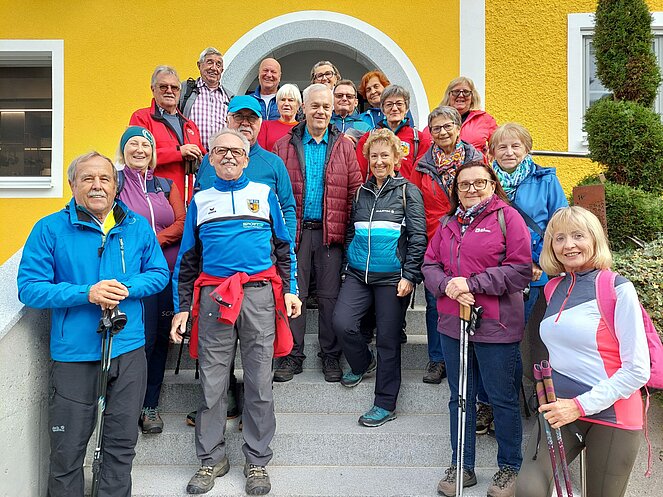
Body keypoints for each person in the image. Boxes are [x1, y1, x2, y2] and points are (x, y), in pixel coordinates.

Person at [17, 151, 169, 497]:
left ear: (116, 186)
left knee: (121, 445)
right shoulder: (49, 229)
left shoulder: (136, 226)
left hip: (128, 349)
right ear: (72, 185)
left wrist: (126, 287)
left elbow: (159, 273)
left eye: (105, 179)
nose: (97, 185)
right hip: (75, 353)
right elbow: (29, 288)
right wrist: (87, 293)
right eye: (87, 178)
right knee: (67, 450)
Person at [171, 129, 301, 495]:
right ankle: (210, 459)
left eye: (236, 151)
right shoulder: (200, 200)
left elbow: (284, 247)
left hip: (259, 295)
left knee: (259, 382)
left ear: (246, 158)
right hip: (214, 297)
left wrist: (291, 290)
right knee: (212, 383)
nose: (228, 156)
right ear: (210, 159)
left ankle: (257, 461)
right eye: (220, 151)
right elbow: (187, 260)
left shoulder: (264, 194)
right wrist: (182, 308)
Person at [516, 206, 650, 497]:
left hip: (612, 415)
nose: (569, 245)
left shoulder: (618, 288)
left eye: (578, 236)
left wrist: (578, 406)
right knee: (528, 490)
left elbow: (638, 370)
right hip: (558, 409)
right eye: (560, 238)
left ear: (594, 239)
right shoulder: (553, 288)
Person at [422, 161, 531, 497]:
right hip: (453, 324)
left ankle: (510, 468)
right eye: (464, 184)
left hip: (496, 324)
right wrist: (448, 286)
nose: (471, 189)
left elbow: (520, 269)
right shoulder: (448, 223)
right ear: (456, 190)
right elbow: (429, 264)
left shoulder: (508, 218)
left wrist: (472, 283)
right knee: (460, 397)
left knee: (501, 398)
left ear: (492, 185)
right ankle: (462, 466)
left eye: (479, 182)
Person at [471, 123, 569, 435]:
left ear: (527, 149)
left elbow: (559, 224)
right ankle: (492, 403)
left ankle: (508, 405)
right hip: (492, 276)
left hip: (532, 275)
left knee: (512, 342)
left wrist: (539, 261)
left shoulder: (545, 179)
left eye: (515, 146)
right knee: (490, 341)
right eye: (502, 146)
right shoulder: (484, 181)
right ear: (492, 152)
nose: (509, 152)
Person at [333, 129, 426, 426]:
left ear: (397, 159)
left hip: (392, 279)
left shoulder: (408, 191)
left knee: (387, 340)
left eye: (385, 155)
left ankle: (385, 403)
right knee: (342, 322)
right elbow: (351, 231)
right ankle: (363, 362)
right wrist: (348, 264)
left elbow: (418, 237)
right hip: (358, 274)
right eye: (374, 156)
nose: (379, 161)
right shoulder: (360, 192)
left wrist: (410, 275)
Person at [273, 83, 363, 383]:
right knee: (293, 293)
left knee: (329, 298)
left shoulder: (344, 146)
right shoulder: (283, 146)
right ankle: (292, 354)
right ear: (304, 108)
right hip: (295, 233)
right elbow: (274, 193)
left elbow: (354, 192)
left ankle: (330, 355)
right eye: (315, 106)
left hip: (330, 234)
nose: (321, 111)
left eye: (326, 106)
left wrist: (350, 236)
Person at [114, 126, 185, 434]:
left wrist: (154, 240)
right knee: (137, 340)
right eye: (133, 144)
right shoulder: (115, 182)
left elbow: (182, 221)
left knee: (158, 341)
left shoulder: (165, 185)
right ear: (123, 150)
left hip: (164, 275)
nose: (140, 149)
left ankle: (149, 405)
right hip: (130, 276)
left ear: (153, 152)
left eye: (145, 145)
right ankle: (127, 404)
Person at [410, 106, 483, 385]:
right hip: (436, 239)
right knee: (435, 300)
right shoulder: (422, 165)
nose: (442, 132)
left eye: (447, 126)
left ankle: (470, 356)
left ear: (458, 127)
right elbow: (415, 206)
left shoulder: (476, 160)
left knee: (472, 295)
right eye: (436, 128)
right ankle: (438, 359)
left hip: (472, 239)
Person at [195, 95, 296, 241]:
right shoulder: (211, 160)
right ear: (227, 120)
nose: (245, 123)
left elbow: (287, 209)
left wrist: (288, 246)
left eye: (252, 118)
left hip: (260, 250)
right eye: (239, 117)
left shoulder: (274, 163)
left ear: (260, 123)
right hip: (215, 248)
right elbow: (197, 203)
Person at [129, 65, 206, 201]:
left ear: (179, 91)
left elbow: (204, 159)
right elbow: (137, 157)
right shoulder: (141, 118)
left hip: (187, 200)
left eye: (174, 87)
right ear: (153, 89)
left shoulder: (190, 125)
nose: (169, 91)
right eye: (163, 87)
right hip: (155, 197)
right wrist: (179, 152)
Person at [356, 85, 431, 180]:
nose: (394, 108)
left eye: (399, 104)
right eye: (389, 104)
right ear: (383, 110)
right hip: (376, 188)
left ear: (406, 108)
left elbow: (423, 176)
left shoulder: (419, 139)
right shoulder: (368, 138)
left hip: (407, 189)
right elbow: (360, 173)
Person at [178, 47, 233, 151]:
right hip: (192, 155)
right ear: (199, 65)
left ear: (222, 70)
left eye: (218, 65)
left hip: (220, 155)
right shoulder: (185, 90)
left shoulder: (229, 97)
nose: (214, 68)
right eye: (210, 62)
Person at [439, 76, 497, 158]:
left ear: (472, 97)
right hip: (443, 165)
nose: (461, 95)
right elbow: (426, 144)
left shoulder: (485, 119)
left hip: (476, 165)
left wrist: (491, 153)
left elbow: (500, 143)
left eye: (466, 92)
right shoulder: (438, 119)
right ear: (448, 96)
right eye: (456, 91)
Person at [257, 83, 301, 152]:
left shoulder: (302, 128)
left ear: (298, 105)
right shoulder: (265, 126)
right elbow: (261, 152)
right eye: (282, 100)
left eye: (291, 100)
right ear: (277, 104)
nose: (286, 104)